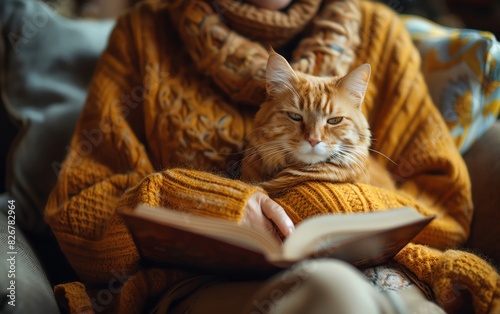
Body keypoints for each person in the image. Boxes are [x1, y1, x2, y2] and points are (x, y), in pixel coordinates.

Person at [45, 0, 500, 313]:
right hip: (209, 288)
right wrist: (198, 201)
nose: (316, 135)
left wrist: (328, 202)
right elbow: (79, 212)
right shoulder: (144, 35)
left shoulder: (380, 33)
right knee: (332, 294)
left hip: (389, 272)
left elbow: (445, 207)